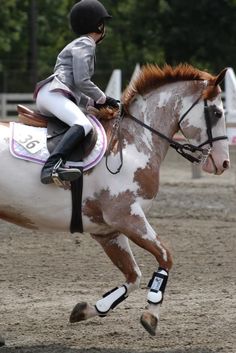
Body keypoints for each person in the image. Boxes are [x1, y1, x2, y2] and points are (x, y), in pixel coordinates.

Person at [34, 0, 119, 185]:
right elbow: (82, 81)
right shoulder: (85, 43)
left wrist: (94, 102)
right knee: (83, 124)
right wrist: (103, 98)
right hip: (54, 93)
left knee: (83, 121)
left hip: (53, 94)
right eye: (103, 23)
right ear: (98, 24)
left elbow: (77, 84)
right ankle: (51, 166)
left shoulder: (80, 43)